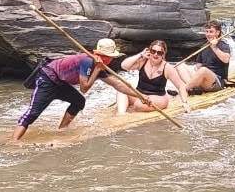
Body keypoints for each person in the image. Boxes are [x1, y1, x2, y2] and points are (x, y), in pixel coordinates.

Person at [11, 38, 148, 142]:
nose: (110, 60)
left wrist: (140, 95)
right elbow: (84, 88)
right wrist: (97, 70)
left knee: (78, 102)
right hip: (48, 78)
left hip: (60, 82)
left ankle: (62, 129)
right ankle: (14, 141)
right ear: (100, 54)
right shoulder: (88, 61)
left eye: (111, 58)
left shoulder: (99, 65)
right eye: (108, 57)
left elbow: (117, 85)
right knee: (33, 112)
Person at [114, 40, 190, 114]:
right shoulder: (143, 61)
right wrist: (140, 55)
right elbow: (124, 66)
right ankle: (121, 114)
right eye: (153, 51)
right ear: (149, 51)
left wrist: (185, 102)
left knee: (138, 105)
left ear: (163, 55)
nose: (155, 54)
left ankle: (133, 107)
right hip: (140, 95)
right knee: (121, 90)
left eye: (159, 53)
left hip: (158, 97)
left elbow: (180, 85)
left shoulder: (167, 68)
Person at [177, 21, 232, 94]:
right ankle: (192, 89)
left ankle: (184, 90)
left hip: (217, 82)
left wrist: (214, 47)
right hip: (204, 79)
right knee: (180, 65)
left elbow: (226, 60)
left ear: (217, 33)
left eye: (211, 32)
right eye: (207, 32)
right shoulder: (204, 46)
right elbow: (198, 65)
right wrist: (196, 72)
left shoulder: (223, 45)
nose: (208, 34)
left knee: (203, 70)